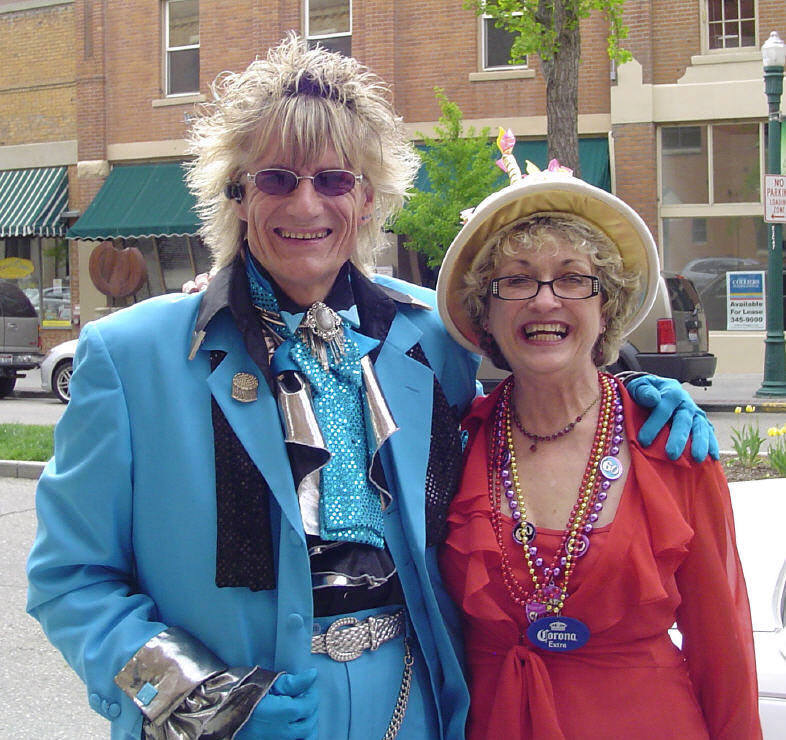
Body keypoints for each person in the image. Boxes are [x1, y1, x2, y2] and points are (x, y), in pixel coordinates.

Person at [27, 36, 714, 740]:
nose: (305, 204)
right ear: (237, 195)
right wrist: (196, 696)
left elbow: (537, 389)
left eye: (332, 179)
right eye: (276, 179)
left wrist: (630, 402)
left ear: (366, 198)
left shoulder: (434, 338)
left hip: (415, 708)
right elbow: (69, 579)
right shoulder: (132, 357)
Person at [436, 157, 761, 739]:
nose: (544, 301)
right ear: (487, 310)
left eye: (572, 278)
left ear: (605, 304)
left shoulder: (670, 445)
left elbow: (725, 653)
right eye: (517, 280)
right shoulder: (455, 443)